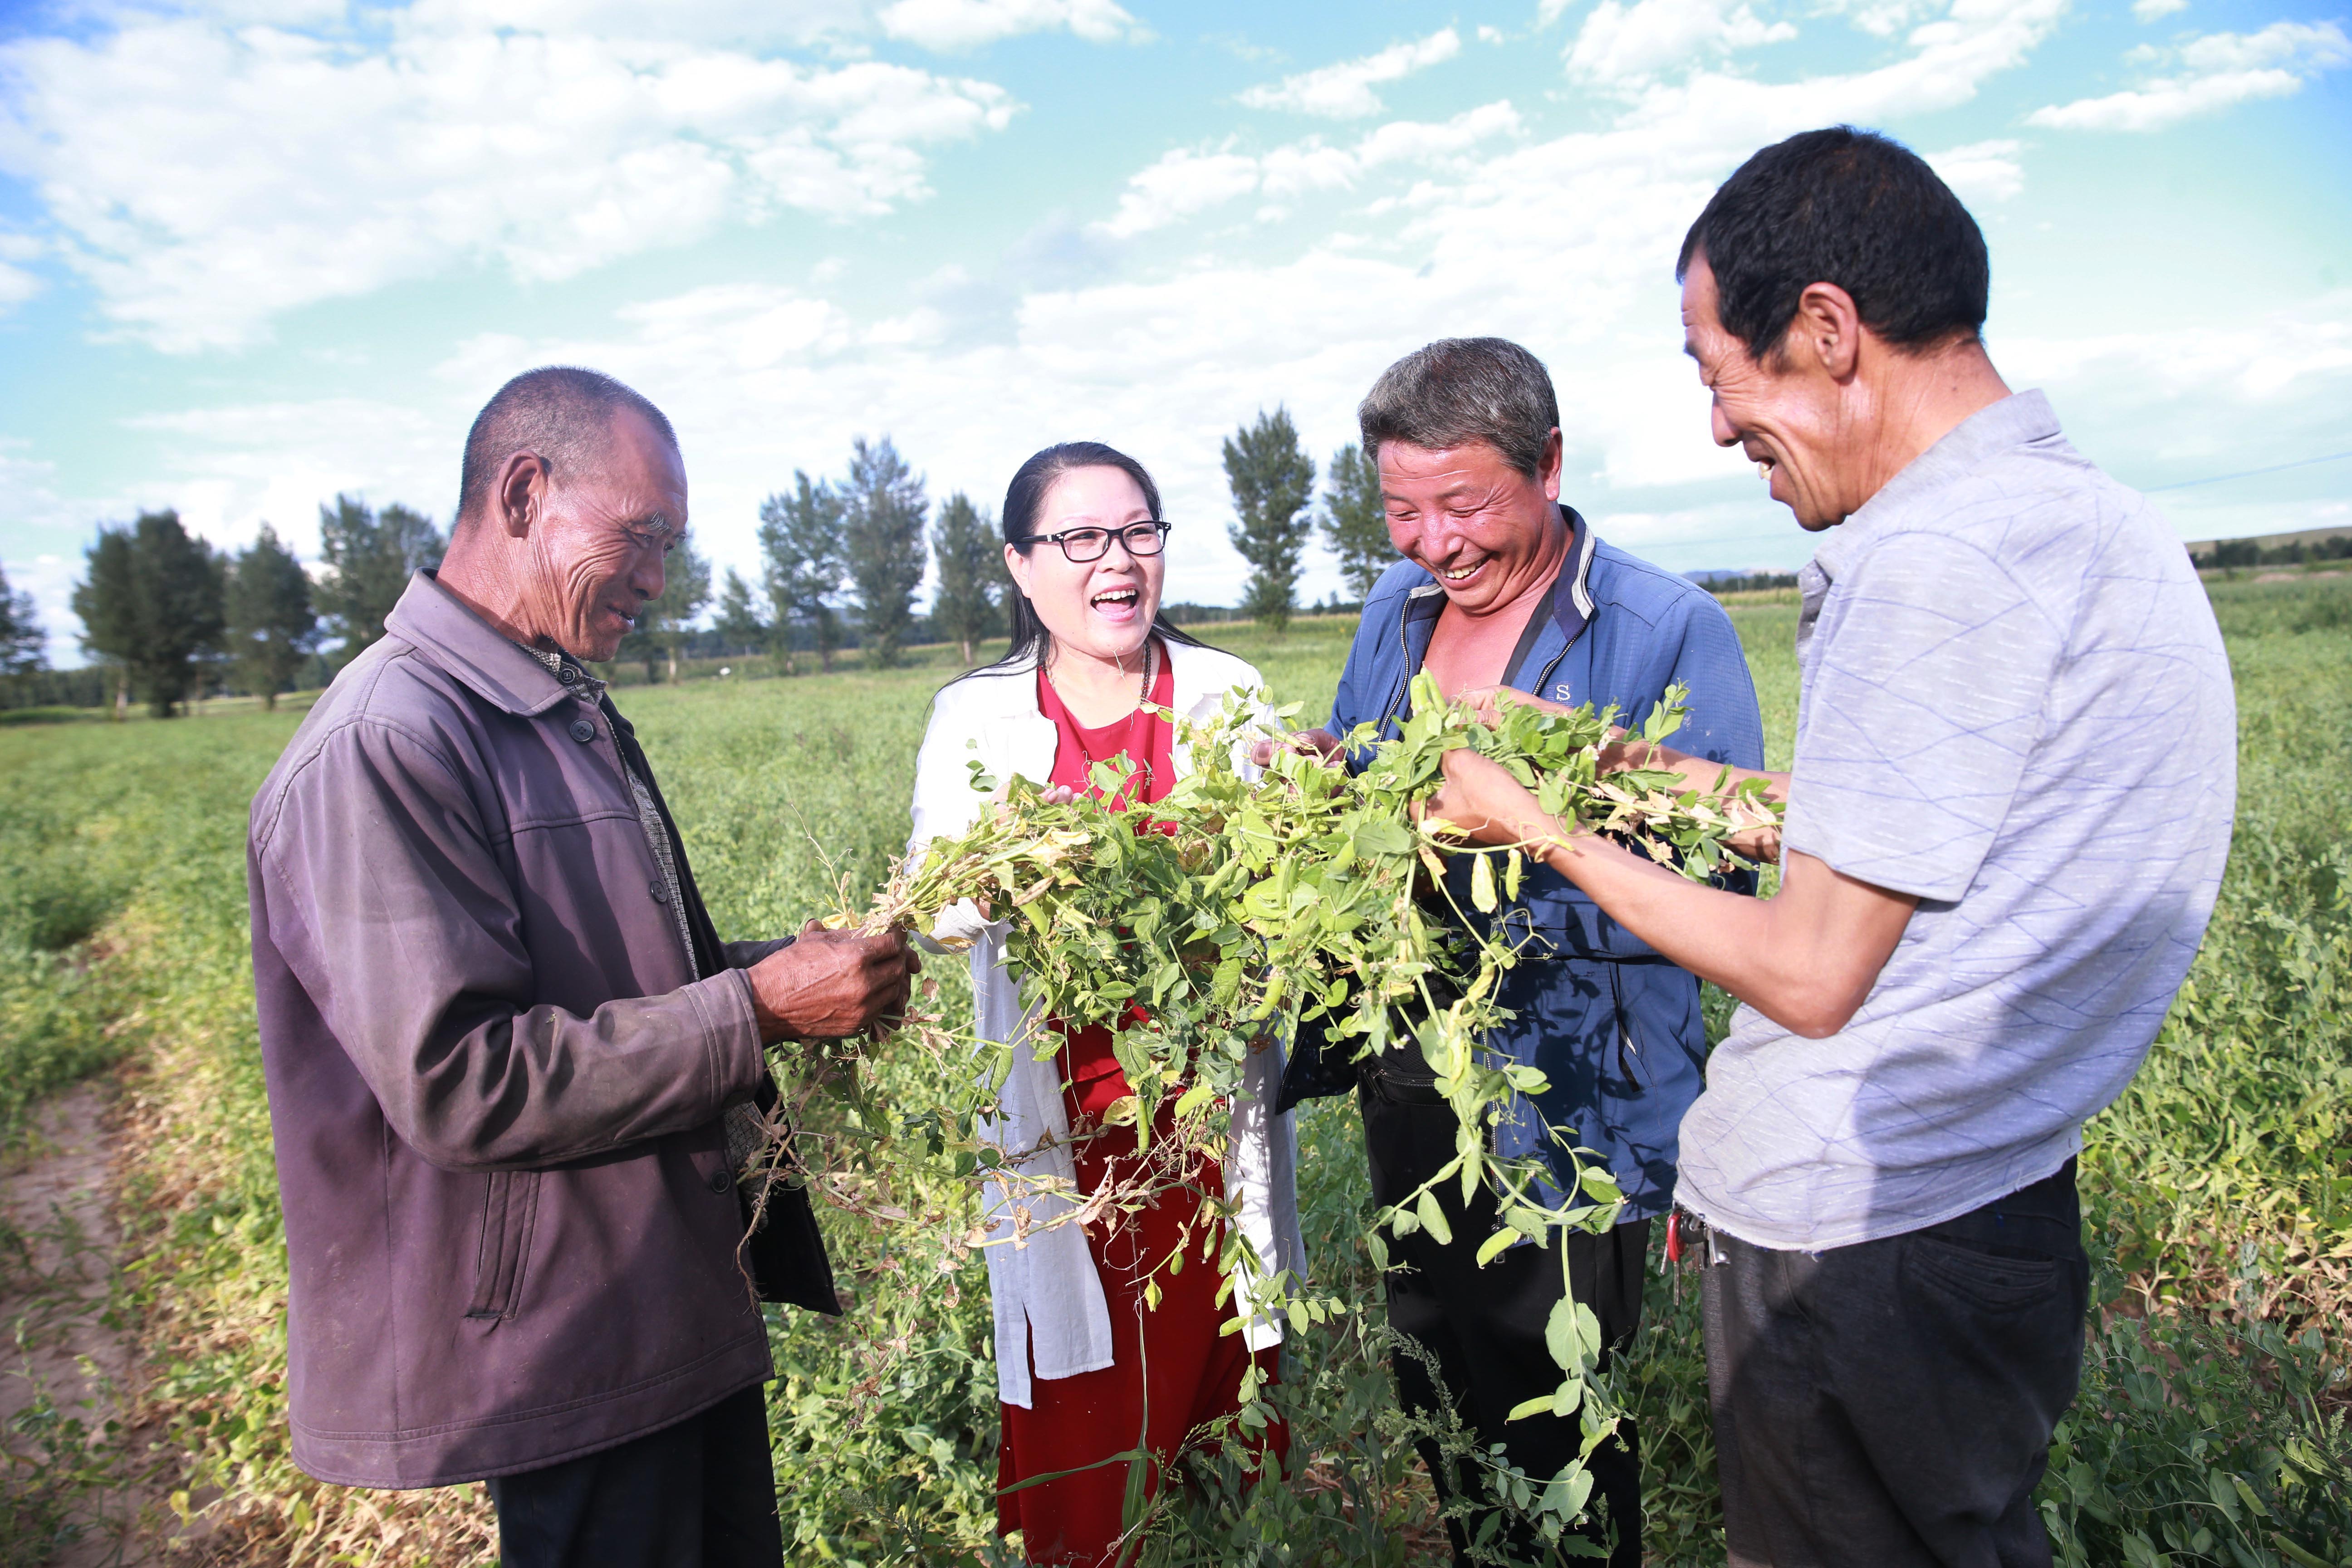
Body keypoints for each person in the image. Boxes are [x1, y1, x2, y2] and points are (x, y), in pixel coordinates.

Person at [1423, 129, 2236, 1567]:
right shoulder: (2082, 517)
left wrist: (1540, 826)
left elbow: (1808, 972)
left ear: (1826, 328)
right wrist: (1633, 775)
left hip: (1867, 1238)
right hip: (1987, 1202)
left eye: (1713, 369)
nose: (1717, 426)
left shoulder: (1932, 559)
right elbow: (1911, 821)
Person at [247, 366, 918, 1566]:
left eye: (672, 546)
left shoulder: (551, 705)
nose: (658, 579)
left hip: (664, 1296)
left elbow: (610, 987)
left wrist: (789, 977)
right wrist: (758, 1008)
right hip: (564, 1337)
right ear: (523, 494)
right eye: (641, 535)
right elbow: (464, 1079)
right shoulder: (388, 740)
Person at [1268, 337, 1764, 1567]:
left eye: (1463, 504)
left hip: (1571, 1092)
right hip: (1409, 1065)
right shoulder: (1395, 610)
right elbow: (1369, 774)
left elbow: (1724, 874)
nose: (1433, 543)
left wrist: (1544, 814)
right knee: (1440, 1380)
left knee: (1555, 1421)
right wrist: (1324, 777)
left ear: (1548, 465)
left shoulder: (1663, 627)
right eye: (1402, 510)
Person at [906, 442, 1304, 1567]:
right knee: (1087, 1402)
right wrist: (1003, 873)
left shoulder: (1227, 692)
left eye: (1137, 532)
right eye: (1080, 539)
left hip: (1207, 1115)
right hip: (1069, 1132)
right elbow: (934, 907)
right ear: (1021, 566)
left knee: (1229, 1375)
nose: (1116, 561)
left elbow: (1288, 885)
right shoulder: (976, 718)